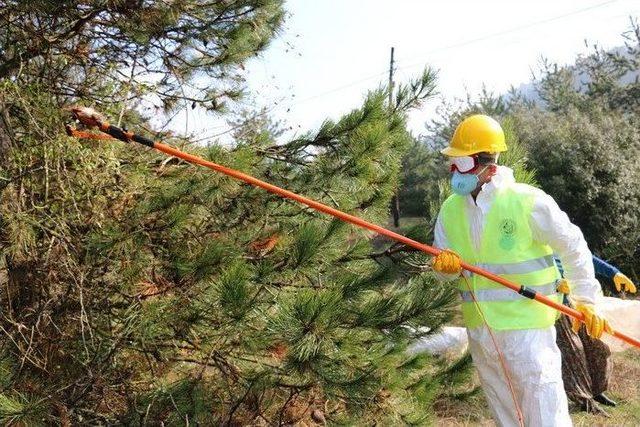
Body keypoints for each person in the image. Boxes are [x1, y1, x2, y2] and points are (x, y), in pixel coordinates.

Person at [431, 114, 611, 426]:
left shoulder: (527, 201)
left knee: (545, 417)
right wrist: (444, 268)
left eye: (460, 163)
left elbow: (573, 245)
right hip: (482, 335)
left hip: (528, 335)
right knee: (507, 419)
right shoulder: (449, 211)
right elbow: (445, 272)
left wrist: (587, 300)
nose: (454, 172)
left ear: (487, 163)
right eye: (453, 164)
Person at [555, 257, 636, 414]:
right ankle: (583, 400)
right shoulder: (531, 241)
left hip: (579, 304)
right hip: (555, 307)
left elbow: (582, 257)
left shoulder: (561, 237)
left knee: (598, 347)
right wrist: (554, 284)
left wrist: (613, 273)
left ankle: (596, 391)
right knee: (573, 352)